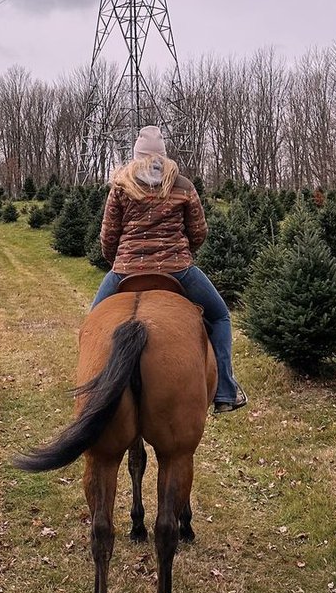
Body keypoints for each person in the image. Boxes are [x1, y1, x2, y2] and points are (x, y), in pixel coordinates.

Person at [91, 125, 248, 414]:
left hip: (126, 270)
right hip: (177, 270)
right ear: (163, 155)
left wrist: (120, 261)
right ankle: (226, 392)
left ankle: (90, 392)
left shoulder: (121, 186)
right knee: (220, 316)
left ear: (136, 155)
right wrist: (182, 252)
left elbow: (108, 236)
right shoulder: (183, 186)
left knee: (92, 324)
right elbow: (198, 231)